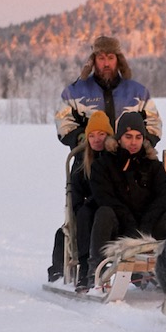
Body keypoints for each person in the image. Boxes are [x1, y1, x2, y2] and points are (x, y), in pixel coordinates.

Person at [82, 112, 166, 292]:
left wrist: (146, 224)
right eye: (128, 137)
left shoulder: (153, 165)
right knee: (104, 212)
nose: (133, 142)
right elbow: (105, 197)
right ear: (119, 138)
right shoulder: (103, 165)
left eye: (138, 137)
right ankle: (96, 272)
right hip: (120, 228)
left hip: (150, 228)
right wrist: (131, 225)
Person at [55, 35, 162, 150]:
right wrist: (83, 139)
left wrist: (142, 143)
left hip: (129, 162)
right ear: (93, 61)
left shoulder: (138, 92)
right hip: (88, 162)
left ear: (118, 60)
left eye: (110, 58)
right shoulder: (74, 92)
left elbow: (154, 124)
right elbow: (64, 124)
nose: (106, 64)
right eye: (101, 58)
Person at [47, 110, 113, 283]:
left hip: (110, 211)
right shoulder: (80, 162)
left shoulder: (115, 158)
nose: (97, 139)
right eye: (92, 135)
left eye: (102, 134)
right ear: (86, 137)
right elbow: (75, 197)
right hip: (87, 212)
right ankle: (65, 269)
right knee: (68, 229)